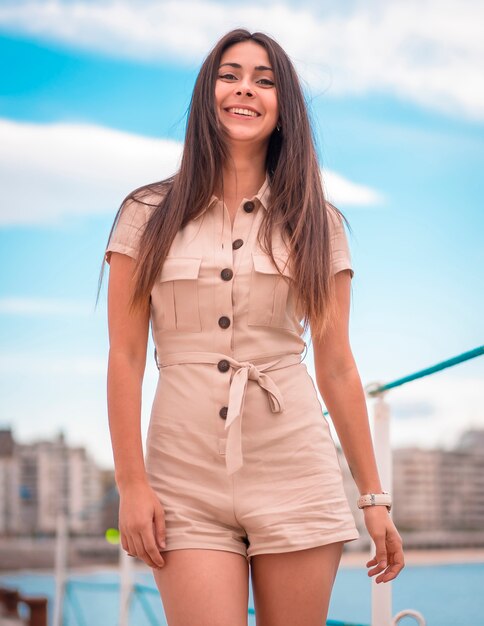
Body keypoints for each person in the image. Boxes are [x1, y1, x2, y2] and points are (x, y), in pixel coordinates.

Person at [100, 27, 404, 626]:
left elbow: (338, 363)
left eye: (265, 81)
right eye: (230, 75)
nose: (246, 90)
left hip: (294, 464)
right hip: (182, 475)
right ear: (206, 94)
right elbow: (125, 357)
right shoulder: (144, 214)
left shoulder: (320, 222)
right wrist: (131, 485)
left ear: (283, 107)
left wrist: (374, 498)